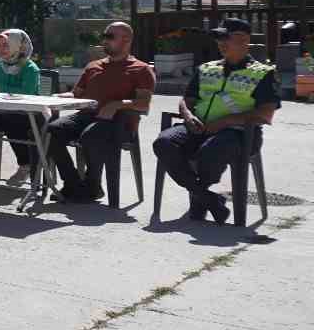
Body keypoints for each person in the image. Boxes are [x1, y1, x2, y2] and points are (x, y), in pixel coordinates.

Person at [154, 18, 278, 223]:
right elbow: (187, 100)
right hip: (199, 127)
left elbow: (265, 114)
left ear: (244, 40)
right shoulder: (206, 69)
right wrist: (188, 116)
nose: (221, 43)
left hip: (239, 134)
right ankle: (207, 198)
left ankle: (200, 198)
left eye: (225, 38)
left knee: (211, 151)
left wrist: (225, 122)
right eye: (219, 39)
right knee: (164, 143)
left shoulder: (263, 73)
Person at [46, 21, 153, 203]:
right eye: (104, 36)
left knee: (91, 136)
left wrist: (117, 104)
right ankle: (73, 184)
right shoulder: (93, 66)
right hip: (86, 115)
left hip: (118, 122)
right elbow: (76, 94)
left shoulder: (141, 69)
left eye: (110, 37)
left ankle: (92, 185)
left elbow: (144, 104)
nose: (104, 41)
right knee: (51, 131)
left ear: (126, 39)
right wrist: (56, 97)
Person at [0, 29, 44, 184]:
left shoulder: (30, 68)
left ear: (18, 46)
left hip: (30, 112)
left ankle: (26, 166)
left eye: (6, 45)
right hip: (4, 111)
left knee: (12, 122)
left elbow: (27, 92)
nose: (1, 49)